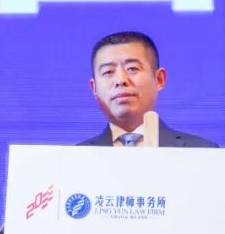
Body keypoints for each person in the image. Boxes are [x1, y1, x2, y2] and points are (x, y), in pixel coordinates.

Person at [79, 31, 216, 148]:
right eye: (108, 72)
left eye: (132, 69)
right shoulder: (75, 159)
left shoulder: (202, 152)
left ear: (159, 79)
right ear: (94, 88)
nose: (120, 80)